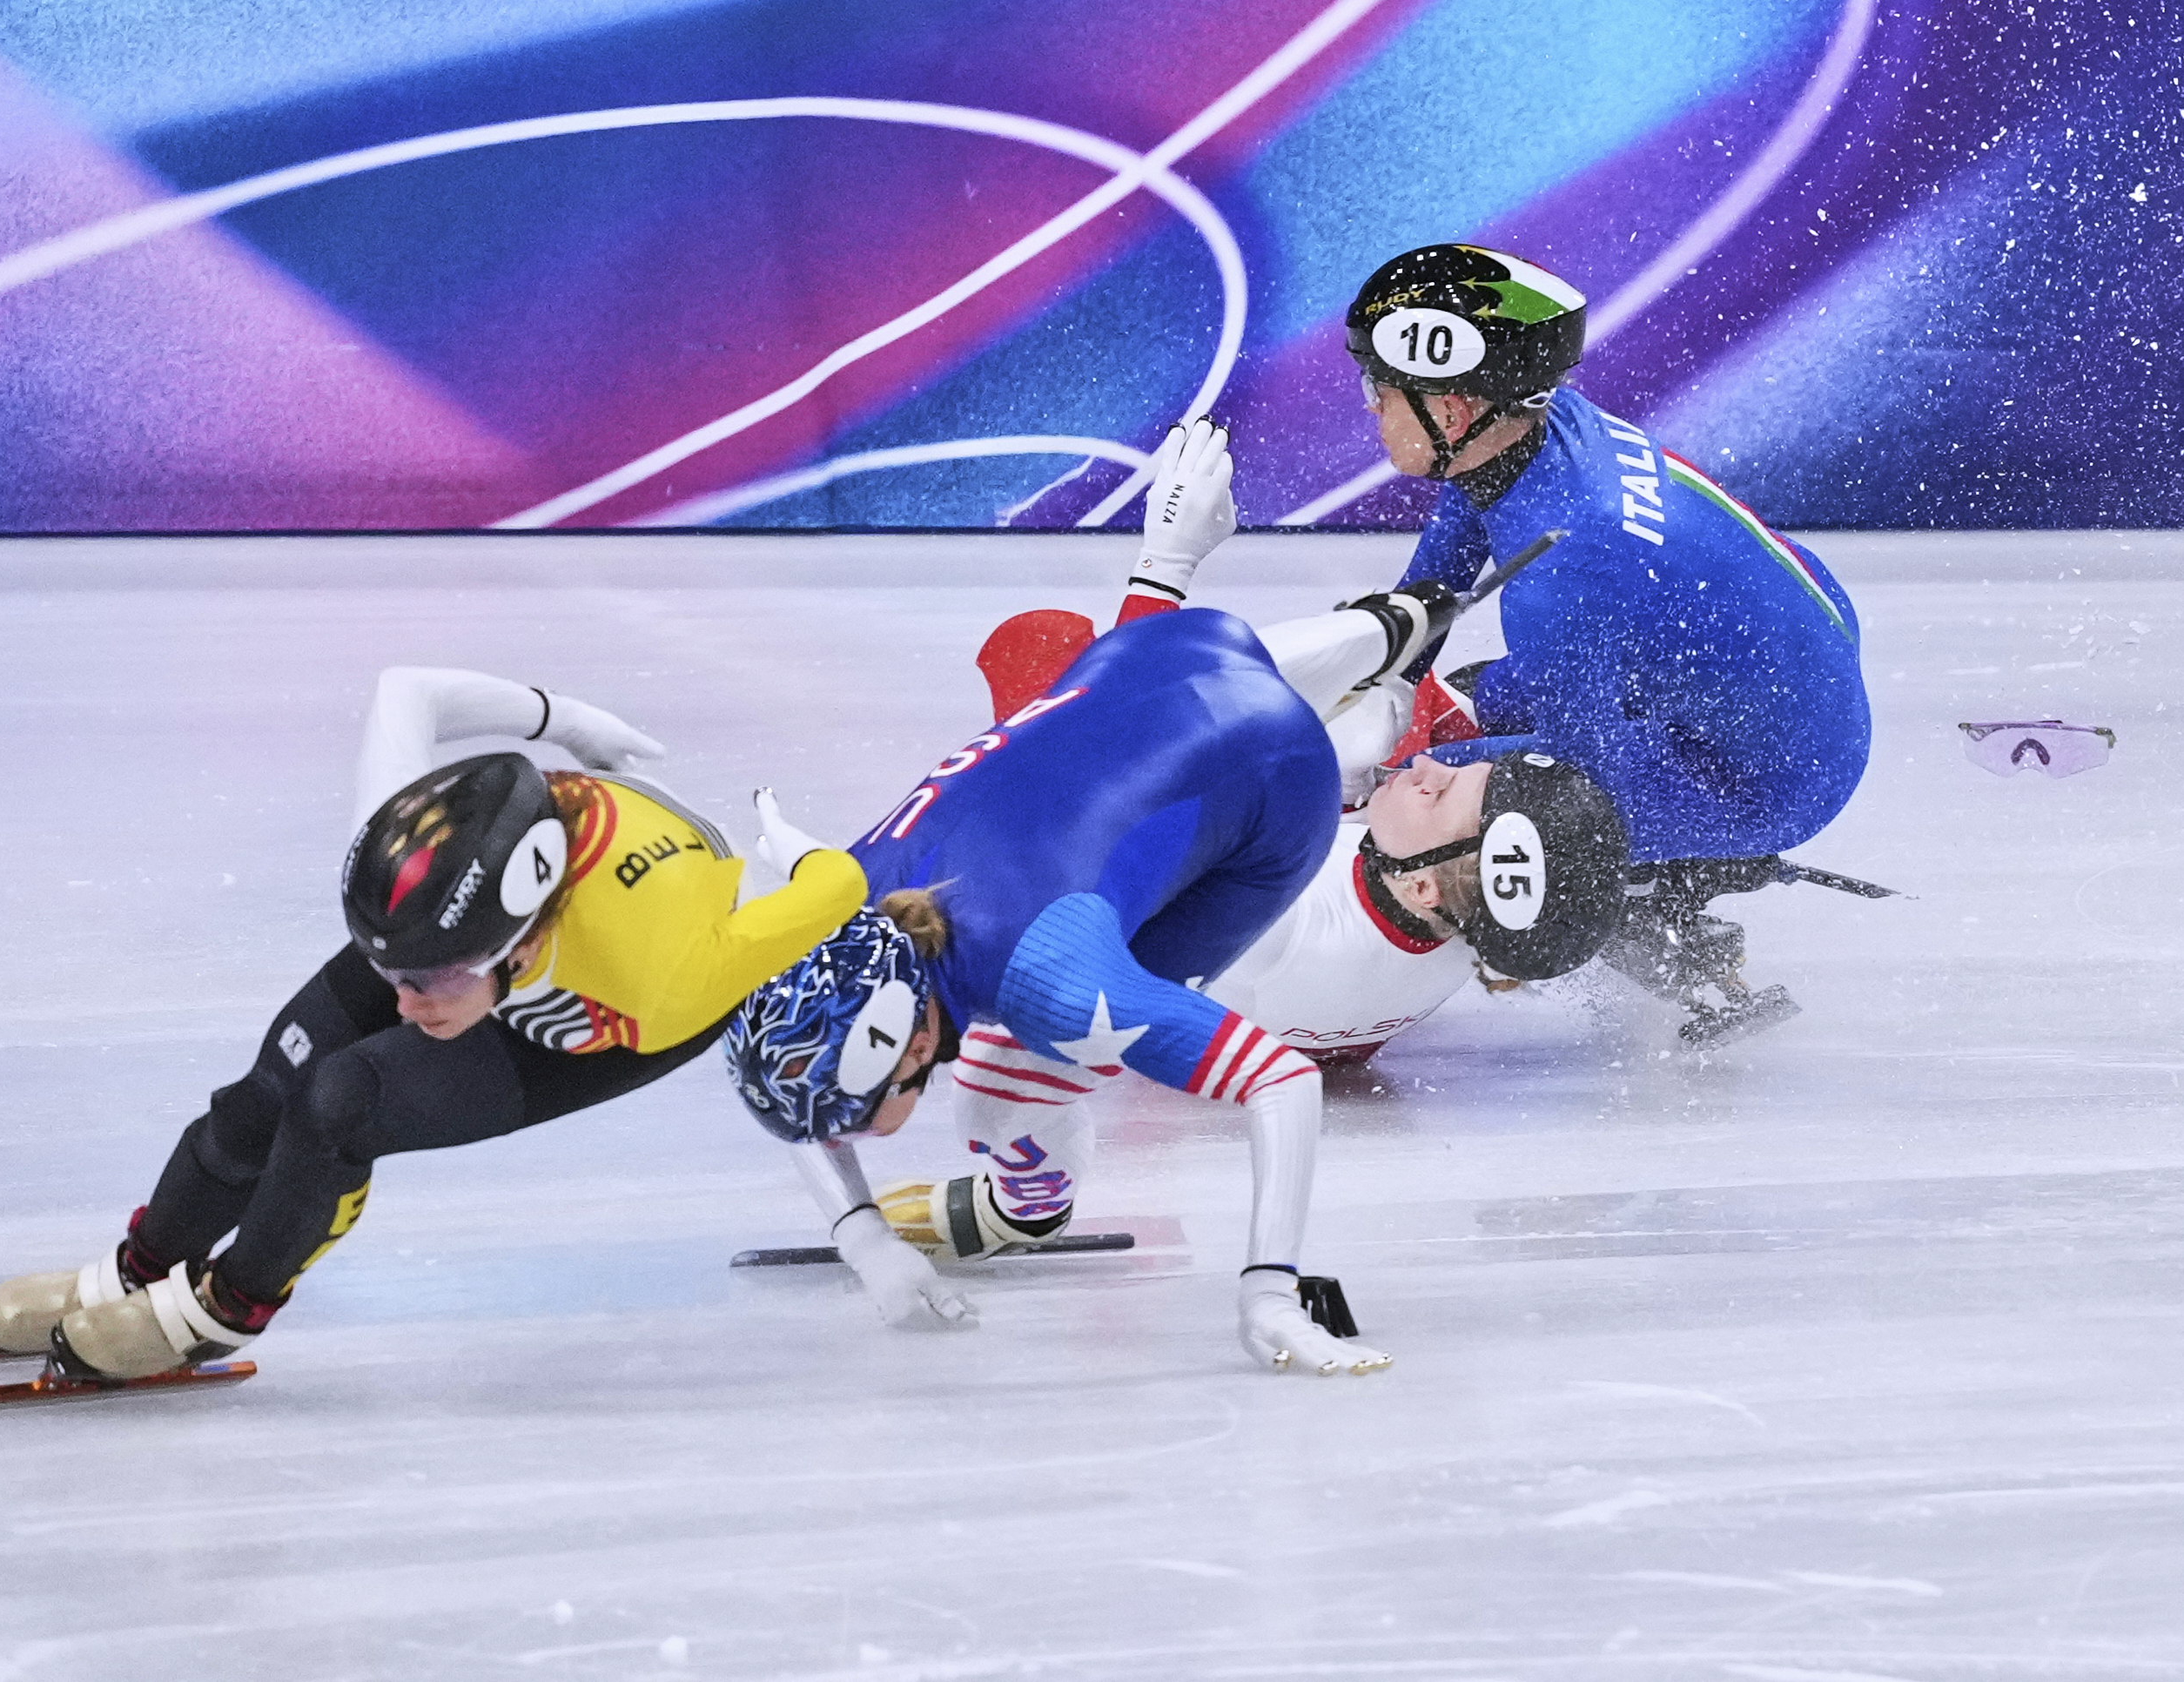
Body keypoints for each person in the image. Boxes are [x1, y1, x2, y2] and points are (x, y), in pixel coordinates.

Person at [722, 437, 1629, 1375]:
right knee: (1223, 713)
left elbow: (1273, 1069)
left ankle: (1023, 1203)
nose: (1431, 770)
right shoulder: (1435, 901)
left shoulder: (1112, 964)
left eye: (1437, 792)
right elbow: (1136, 723)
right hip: (1201, 721)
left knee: (1007, 1067)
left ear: (1427, 883)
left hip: (1249, 860)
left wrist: (1270, 1287)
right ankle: (1365, 648)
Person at [0, 667, 866, 1383]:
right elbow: (410, 690)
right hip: (504, 932)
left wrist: (794, 848)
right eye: (391, 971)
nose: (402, 1002)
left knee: (339, 1103)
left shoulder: (660, 974)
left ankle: (222, 1310)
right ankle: (141, 1266)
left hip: (613, 1010)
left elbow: (840, 889)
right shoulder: (414, 841)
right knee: (258, 1103)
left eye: (428, 981)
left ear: (522, 940)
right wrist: (563, 717)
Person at [1344, 243, 1873, 1036]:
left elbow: (1575, 778)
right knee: (1464, 698)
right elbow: (1441, 574)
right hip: (1789, 659)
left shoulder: (1562, 585)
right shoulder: (1539, 427)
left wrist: (1379, 776)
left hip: (1767, 779)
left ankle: (1664, 918)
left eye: (1379, 391)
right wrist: (1385, 670)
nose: (1369, 409)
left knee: (1418, 797)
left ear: (1450, 412)